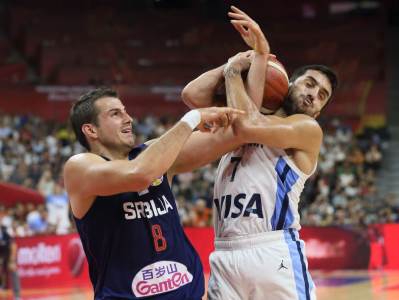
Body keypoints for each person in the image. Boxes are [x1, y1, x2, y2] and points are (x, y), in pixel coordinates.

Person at [181, 6, 338, 300]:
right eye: (310, 83)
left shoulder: (305, 128)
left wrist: (250, 62)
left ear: (319, 111)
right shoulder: (249, 107)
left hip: (272, 250)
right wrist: (240, 62)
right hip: (225, 251)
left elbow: (246, 125)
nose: (312, 95)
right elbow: (191, 95)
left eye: (321, 96)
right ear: (288, 82)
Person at [63, 87, 246, 299]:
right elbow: (139, 174)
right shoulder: (79, 167)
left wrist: (236, 68)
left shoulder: (154, 154)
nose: (128, 118)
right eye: (115, 114)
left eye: (125, 111)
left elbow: (234, 133)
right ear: (91, 130)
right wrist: (192, 118)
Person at [0, 212, 21, 300]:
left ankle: (17, 296)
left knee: (14, 270)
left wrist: (12, 260)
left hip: (8, 256)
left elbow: (13, 245)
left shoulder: (5, 231)